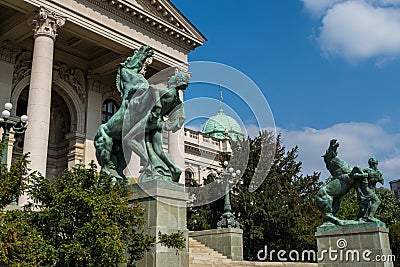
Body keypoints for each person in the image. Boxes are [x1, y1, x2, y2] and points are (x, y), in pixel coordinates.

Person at [354, 157, 384, 222]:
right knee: (377, 201)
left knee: (368, 205)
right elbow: (355, 174)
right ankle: (370, 216)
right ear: (372, 164)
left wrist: (379, 177)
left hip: (372, 189)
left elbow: (382, 182)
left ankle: (363, 217)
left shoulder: (378, 172)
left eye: (376, 163)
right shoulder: (367, 170)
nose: (376, 165)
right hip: (366, 188)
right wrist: (363, 175)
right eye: (375, 164)